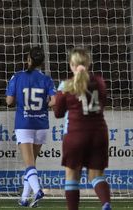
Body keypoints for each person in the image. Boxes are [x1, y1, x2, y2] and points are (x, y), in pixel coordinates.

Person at [54, 48, 111, 210]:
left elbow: (58, 113)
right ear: (89, 64)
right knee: (96, 175)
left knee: (72, 175)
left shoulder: (66, 85)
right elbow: (103, 103)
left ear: (71, 65)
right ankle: (106, 203)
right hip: (99, 133)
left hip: (75, 134)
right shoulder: (99, 82)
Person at [5, 47, 56, 207]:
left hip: (24, 124)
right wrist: (43, 106)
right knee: (32, 163)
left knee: (29, 164)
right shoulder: (47, 79)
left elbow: (9, 101)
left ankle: (37, 190)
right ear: (42, 62)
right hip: (41, 124)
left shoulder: (18, 77)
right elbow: (54, 101)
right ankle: (24, 198)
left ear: (28, 60)